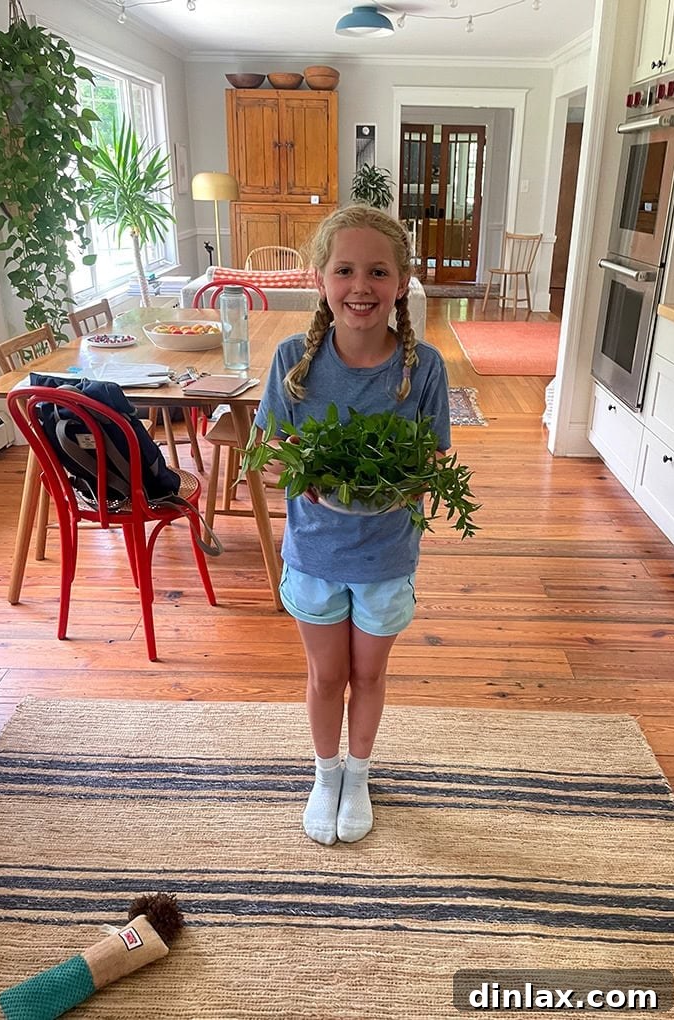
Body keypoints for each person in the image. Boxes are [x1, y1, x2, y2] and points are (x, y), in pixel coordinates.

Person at [255, 204, 450, 845]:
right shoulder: (293, 360)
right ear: (320, 280)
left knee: (368, 674)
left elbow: (433, 460)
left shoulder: (423, 369)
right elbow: (271, 450)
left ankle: (358, 773)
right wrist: (296, 471)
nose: (360, 286)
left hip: (386, 557)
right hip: (314, 550)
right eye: (345, 270)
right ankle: (325, 772)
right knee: (325, 676)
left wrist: (404, 480)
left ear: (401, 285)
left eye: (378, 272)